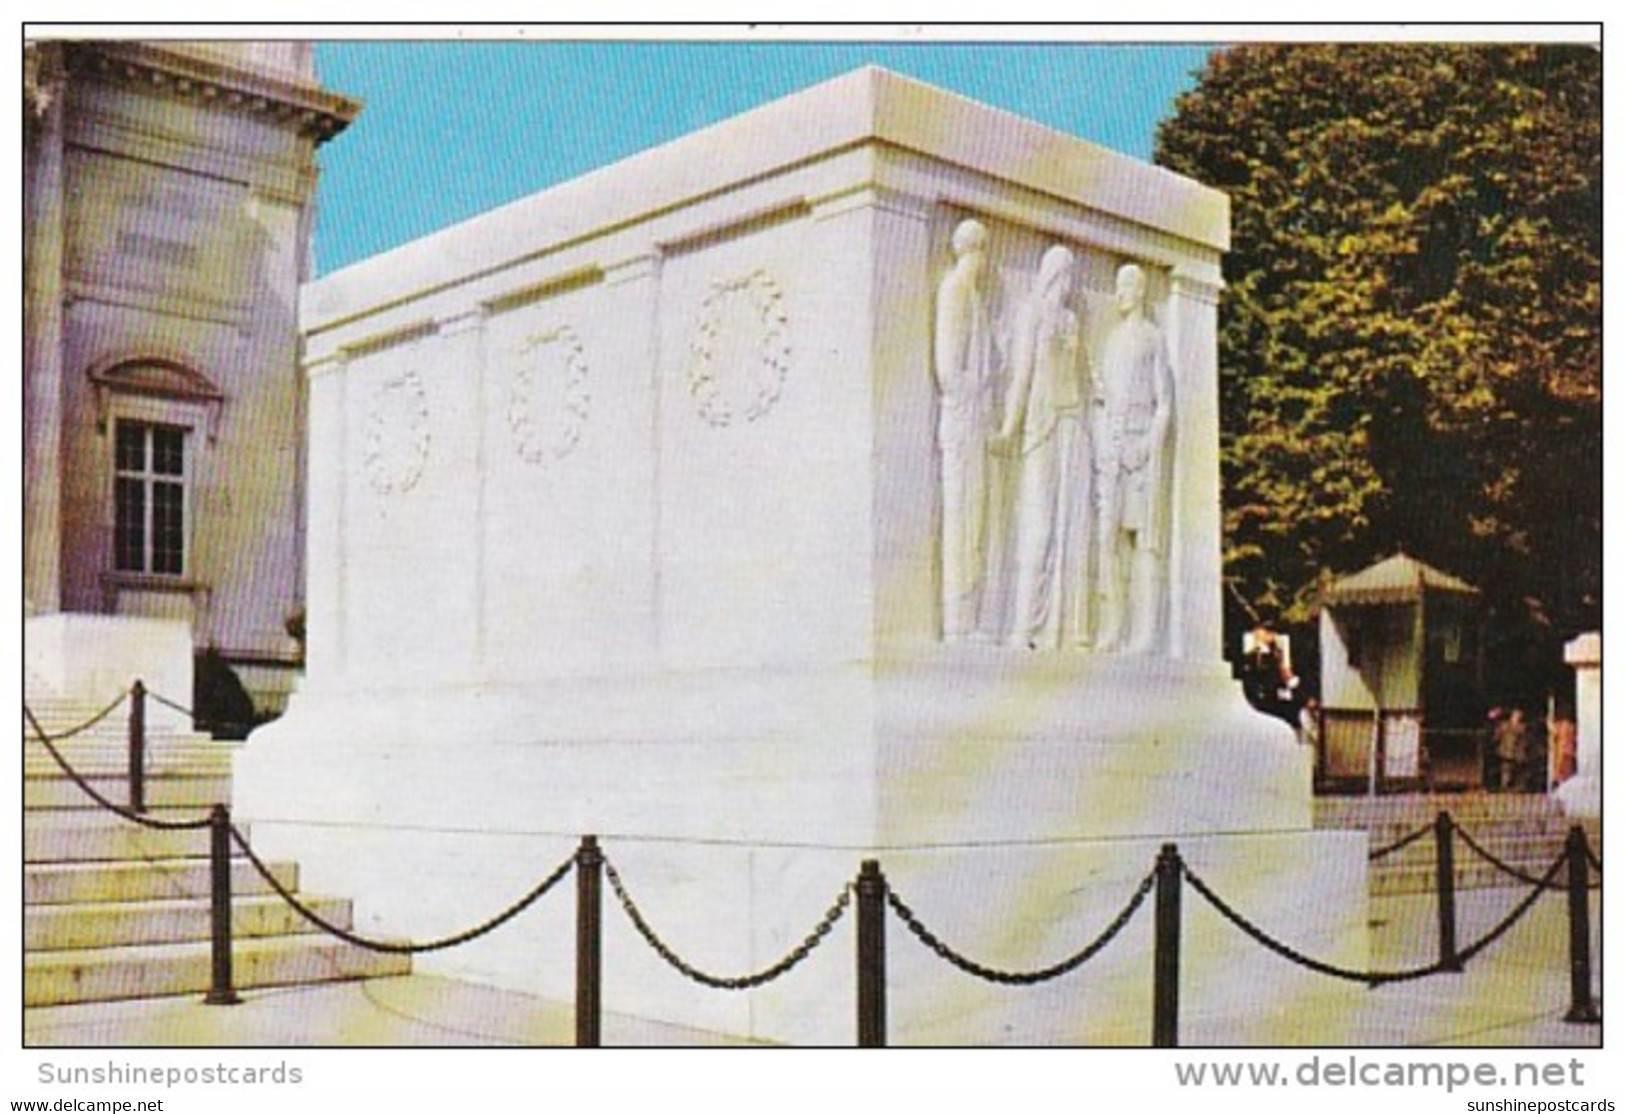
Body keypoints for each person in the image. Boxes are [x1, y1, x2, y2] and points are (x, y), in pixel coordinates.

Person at [990, 244, 1087, 648]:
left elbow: (1080, 378)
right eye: (1060, 274)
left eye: (1071, 276)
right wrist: (1009, 429)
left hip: (1073, 424)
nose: (1066, 284)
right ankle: (1022, 629)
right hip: (1041, 425)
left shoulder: (1071, 320)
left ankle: (1059, 634)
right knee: (1040, 527)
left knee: (1071, 527)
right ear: (1049, 275)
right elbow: (1023, 375)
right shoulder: (1033, 315)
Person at [1092, 263, 1174, 654]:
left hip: (1142, 448)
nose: (1119, 293)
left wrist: (1148, 446)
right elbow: (1106, 397)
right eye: (1118, 286)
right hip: (1114, 447)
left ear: (1140, 290)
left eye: (1126, 286)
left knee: (1143, 541)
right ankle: (1113, 627)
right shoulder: (1111, 341)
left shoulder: (1153, 338)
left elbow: (1165, 403)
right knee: (1109, 538)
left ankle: (1144, 635)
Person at [932, 219, 996, 642]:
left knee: (973, 520)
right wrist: (971, 398)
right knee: (961, 516)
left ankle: (968, 618)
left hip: (976, 420)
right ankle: (957, 621)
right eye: (981, 252)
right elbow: (948, 367)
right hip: (962, 421)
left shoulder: (972, 295)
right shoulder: (955, 291)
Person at [1493, 706, 1530, 792]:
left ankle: (1518, 787)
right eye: (1516, 716)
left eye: (1519, 716)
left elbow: (1525, 741)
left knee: (1518, 771)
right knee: (1506, 770)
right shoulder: (1504, 726)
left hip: (1518, 753)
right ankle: (1505, 786)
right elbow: (1497, 736)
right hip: (1506, 751)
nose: (1517, 718)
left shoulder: (1522, 728)